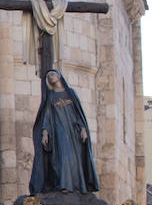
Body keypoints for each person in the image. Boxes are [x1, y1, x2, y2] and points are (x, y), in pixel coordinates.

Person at [28, 68, 100, 196]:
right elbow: (47, 116)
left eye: (53, 74)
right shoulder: (50, 96)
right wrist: (45, 132)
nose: (51, 76)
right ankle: (63, 185)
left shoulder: (70, 93)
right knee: (62, 157)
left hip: (73, 130)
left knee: (74, 158)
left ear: (59, 76)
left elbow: (78, 113)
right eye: (48, 75)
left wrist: (83, 129)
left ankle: (77, 186)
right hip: (58, 131)